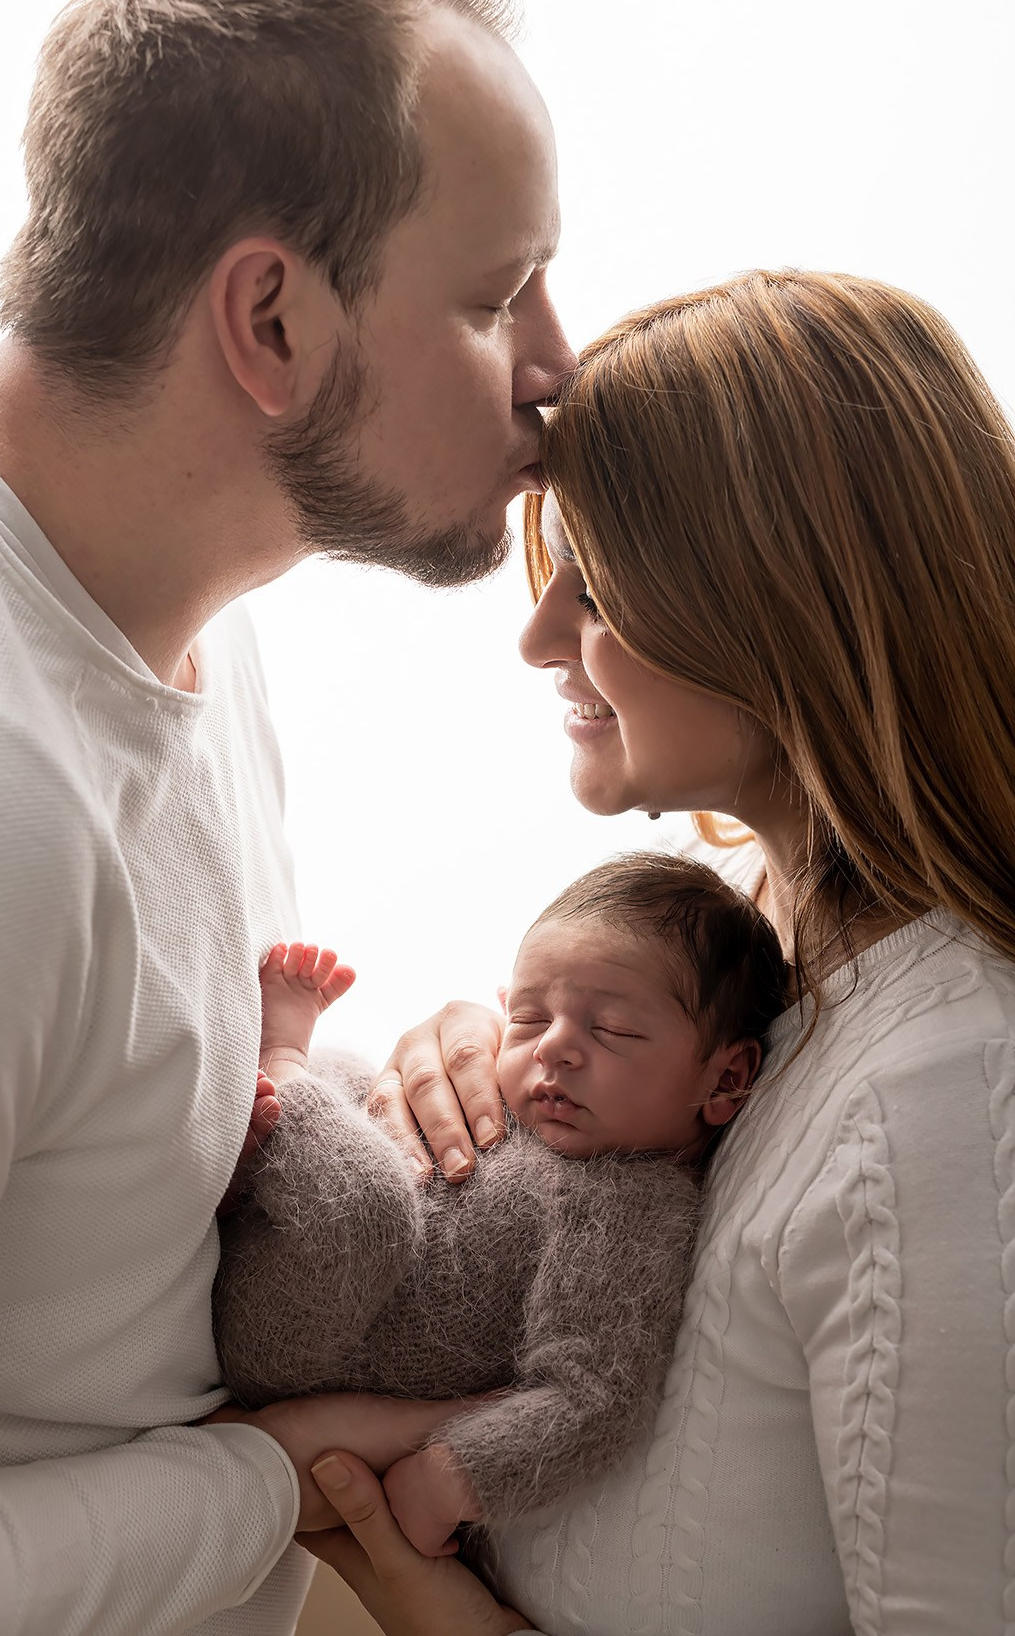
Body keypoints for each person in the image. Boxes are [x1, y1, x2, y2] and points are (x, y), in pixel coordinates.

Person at [0, 0, 575, 1636]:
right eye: (498, 294)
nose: (560, 367)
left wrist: (379, 1092)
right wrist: (275, 1471)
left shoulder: (176, 609)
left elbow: (104, 1139)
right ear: (272, 322)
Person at [307, 268, 1015, 1635]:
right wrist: (501, 1069)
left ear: (784, 603)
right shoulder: (760, 949)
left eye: (600, 578)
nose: (535, 634)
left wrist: (429, 1607)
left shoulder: (953, 1104)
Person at [213, 853, 787, 1558]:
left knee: (367, 1211)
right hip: (304, 1243)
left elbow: (593, 1398)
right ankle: (249, 1156)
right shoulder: (519, 1099)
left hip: (305, 1336)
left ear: (727, 1079)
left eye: (612, 1031)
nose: (554, 1050)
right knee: (361, 1079)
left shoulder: (632, 1206)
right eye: (528, 1016)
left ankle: (281, 1065)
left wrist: (450, 1479)